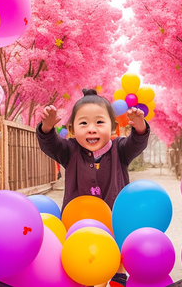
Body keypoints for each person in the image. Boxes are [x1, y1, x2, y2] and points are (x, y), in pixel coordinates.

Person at [36, 88, 150, 287]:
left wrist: (139, 126)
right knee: (85, 267)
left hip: (115, 222)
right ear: (72, 129)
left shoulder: (120, 150)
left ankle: (118, 278)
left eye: (99, 122)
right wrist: (46, 128)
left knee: (116, 258)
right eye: (83, 123)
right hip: (79, 226)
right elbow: (51, 145)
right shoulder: (69, 150)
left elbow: (136, 143)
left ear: (113, 127)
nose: (91, 129)